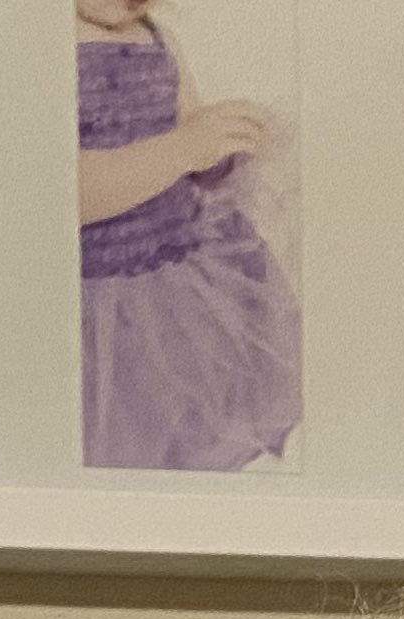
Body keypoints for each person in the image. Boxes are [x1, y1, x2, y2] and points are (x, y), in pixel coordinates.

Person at [74, 0, 299, 472]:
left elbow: (188, 147)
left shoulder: (155, 36)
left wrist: (221, 150)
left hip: (176, 294)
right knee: (112, 444)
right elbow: (63, 194)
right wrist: (182, 149)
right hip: (96, 306)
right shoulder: (36, 48)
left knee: (178, 434)